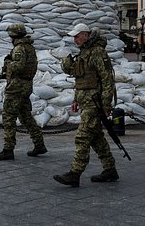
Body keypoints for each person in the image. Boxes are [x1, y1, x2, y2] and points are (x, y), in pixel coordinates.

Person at [53, 23, 118, 187]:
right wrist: (76, 99)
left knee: (82, 137)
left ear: (86, 35)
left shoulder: (97, 52)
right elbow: (81, 80)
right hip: (86, 101)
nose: (75, 39)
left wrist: (106, 104)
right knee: (96, 138)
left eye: (77, 36)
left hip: (95, 104)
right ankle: (110, 169)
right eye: (74, 36)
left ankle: (75, 173)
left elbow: (107, 80)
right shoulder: (84, 53)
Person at [0, 23, 47, 161]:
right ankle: (39, 144)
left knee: (9, 117)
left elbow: (19, 67)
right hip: (26, 85)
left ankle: (8, 149)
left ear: (13, 35)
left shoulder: (19, 49)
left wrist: (8, 63)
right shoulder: (30, 48)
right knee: (25, 116)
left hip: (16, 86)